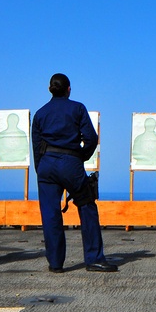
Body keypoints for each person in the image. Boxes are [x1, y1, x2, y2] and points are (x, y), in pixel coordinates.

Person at [32, 73, 116, 273]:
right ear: (68, 89)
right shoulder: (77, 108)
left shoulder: (40, 113)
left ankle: (55, 263)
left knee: (50, 213)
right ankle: (94, 258)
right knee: (87, 206)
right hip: (70, 163)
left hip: (46, 165)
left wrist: (41, 170)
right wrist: (80, 158)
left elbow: (36, 146)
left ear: (50, 89)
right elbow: (91, 138)